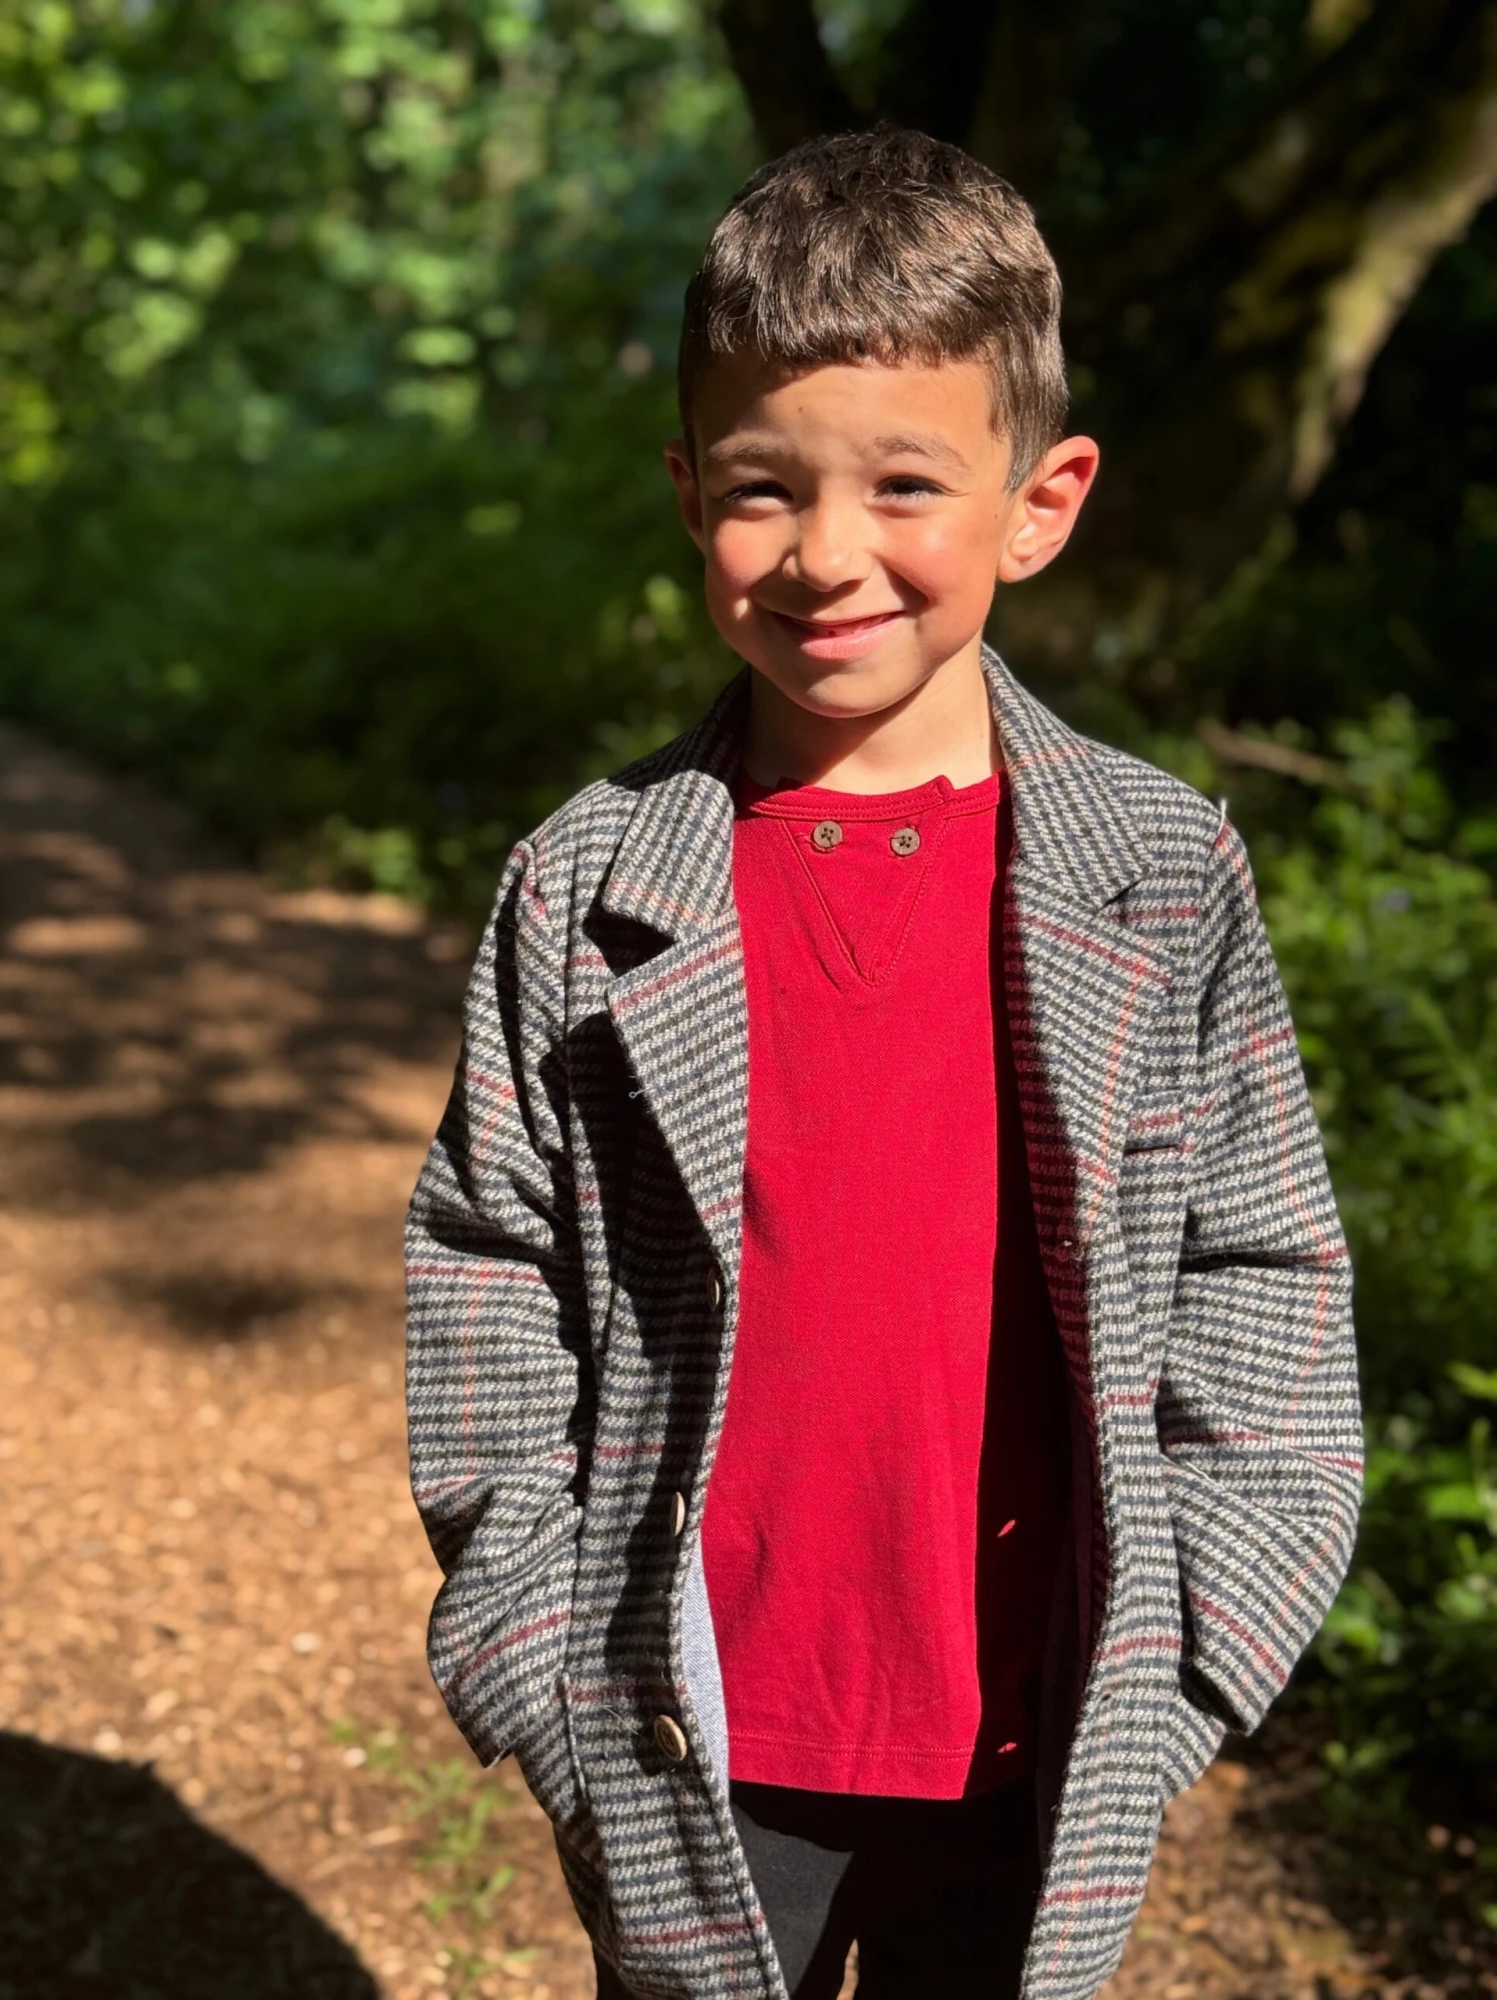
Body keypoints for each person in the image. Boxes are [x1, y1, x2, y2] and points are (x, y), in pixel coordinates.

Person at [405, 127, 1362, 2000]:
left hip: (1038, 1728)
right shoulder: (586, 883)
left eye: (905, 483)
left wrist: (1196, 1649)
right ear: (688, 491)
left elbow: (1263, 1264)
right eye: (762, 488)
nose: (826, 554)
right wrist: (538, 1657)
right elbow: (488, 1266)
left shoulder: (1160, 871)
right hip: (684, 1728)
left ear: (1041, 501)